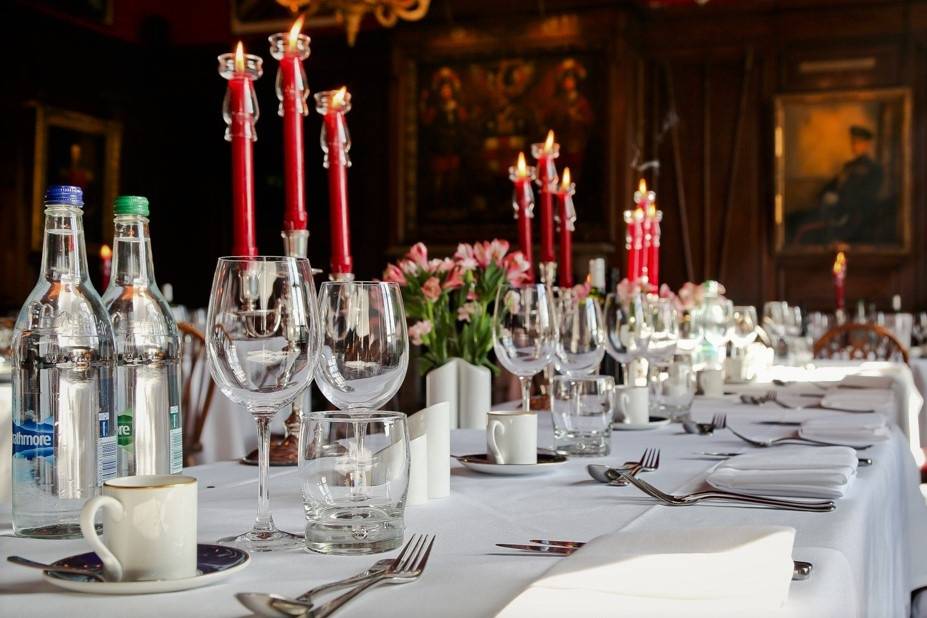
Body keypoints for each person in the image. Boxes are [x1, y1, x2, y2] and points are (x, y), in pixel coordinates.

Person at [815, 125, 884, 243]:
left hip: (858, 217)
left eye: (858, 142)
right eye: (853, 142)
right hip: (838, 212)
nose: (854, 145)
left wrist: (839, 200)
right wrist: (823, 194)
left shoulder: (874, 169)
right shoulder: (848, 166)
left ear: (866, 145)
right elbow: (833, 184)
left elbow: (867, 196)